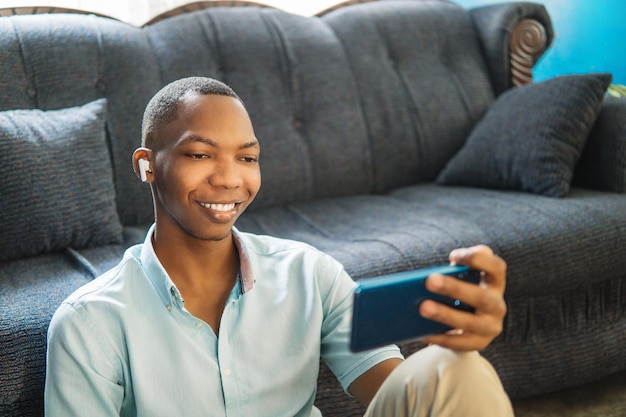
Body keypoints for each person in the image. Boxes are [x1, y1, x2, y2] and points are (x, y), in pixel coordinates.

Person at [45, 77, 513, 416]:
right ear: (147, 165)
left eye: (247, 158)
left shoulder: (309, 274)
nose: (230, 178)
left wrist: (454, 346)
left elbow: (403, 392)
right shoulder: (90, 323)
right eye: (200, 154)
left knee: (455, 371)